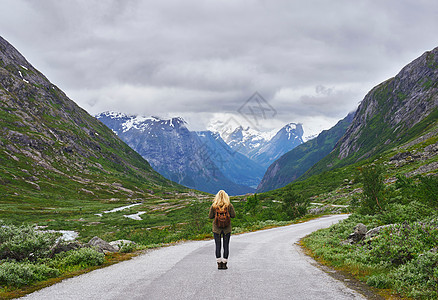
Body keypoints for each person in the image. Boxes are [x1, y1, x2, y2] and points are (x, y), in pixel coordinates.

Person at [209, 190, 236, 270]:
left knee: (218, 246)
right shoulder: (229, 205)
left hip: (216, 229)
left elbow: (210, 216)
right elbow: (233, 215)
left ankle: (219, 264)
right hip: (227, 229)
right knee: (226, 245)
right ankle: (224, 264)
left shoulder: (214, 206)